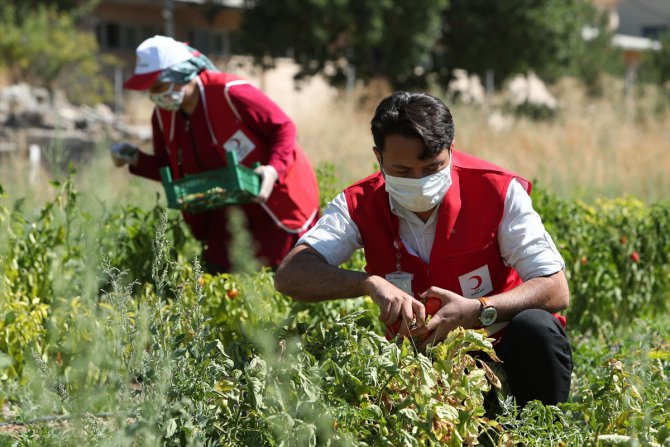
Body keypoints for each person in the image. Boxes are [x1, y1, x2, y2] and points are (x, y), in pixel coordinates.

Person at [274, 91, 572, 408]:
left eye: (432, 168)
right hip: (423, 363)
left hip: (502, 346)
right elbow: (290, 274)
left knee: (536, 329)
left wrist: (478, 309)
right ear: (379, 158)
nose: (419, 181)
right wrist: (368, 283)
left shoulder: (495, 190)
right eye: (402, 171)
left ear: (450, 151)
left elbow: (555, 288)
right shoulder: (359, 204)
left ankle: (543, 432)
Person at [112, 35, 319, 273]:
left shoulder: (229, 92)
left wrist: (272, 169)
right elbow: (171, 168)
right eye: (150, 89)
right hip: (226, 209)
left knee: (282, 278)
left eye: (157, 86)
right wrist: (135, 159)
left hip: (274, 201)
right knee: (219, 277)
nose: (153, 95)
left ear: (181, 74)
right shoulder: (163, 116)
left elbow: (283, 127)